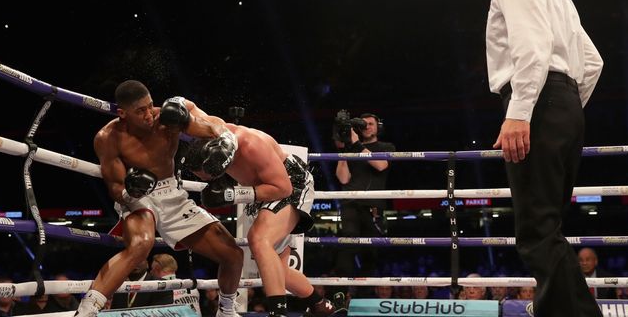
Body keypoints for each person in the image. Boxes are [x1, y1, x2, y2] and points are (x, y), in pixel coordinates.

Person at [477, 0, 604, 316]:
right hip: (564, 105)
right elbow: (593, 61)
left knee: (535, 232)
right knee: (547, 228)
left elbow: (529, 47)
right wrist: (564, 106)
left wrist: (523, 111)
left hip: (539, 101)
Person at [75, 80, 244, 317]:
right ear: (123, 113)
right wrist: (129, 191)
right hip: (138, 196)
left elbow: (207, 124)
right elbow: (115, 185)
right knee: (141, 244)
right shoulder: (108, 137)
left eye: (150, 106)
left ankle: (226, 311)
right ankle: (87, 310)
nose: (148, 115)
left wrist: (224, 138)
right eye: (140, 110)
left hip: (173, 193)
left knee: (233, 253)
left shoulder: (167, 118)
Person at [185, 123, 336, 317]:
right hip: (263, 192)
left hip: (289, 183)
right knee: (277, 269)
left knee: (258, 239)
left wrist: (232, 195)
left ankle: (278, 312)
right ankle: (320, 305)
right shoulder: (211, 133)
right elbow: (188, 110)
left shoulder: (251, 145)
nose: (210, 179)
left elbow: (283, 189)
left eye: (210, 174)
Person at [333, 113, 395, 279]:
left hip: (373, 205)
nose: (367, 127)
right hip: (350, 203)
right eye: (364, 124)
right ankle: (340, 293)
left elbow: (381, 165)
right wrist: (344, 150)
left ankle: (363, 295)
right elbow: (343, 178)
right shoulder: (352, 148)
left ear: (378, 127)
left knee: (371, 252)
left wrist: (356, 144)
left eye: (371, 124)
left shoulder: (386, 147)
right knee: (348, 244)